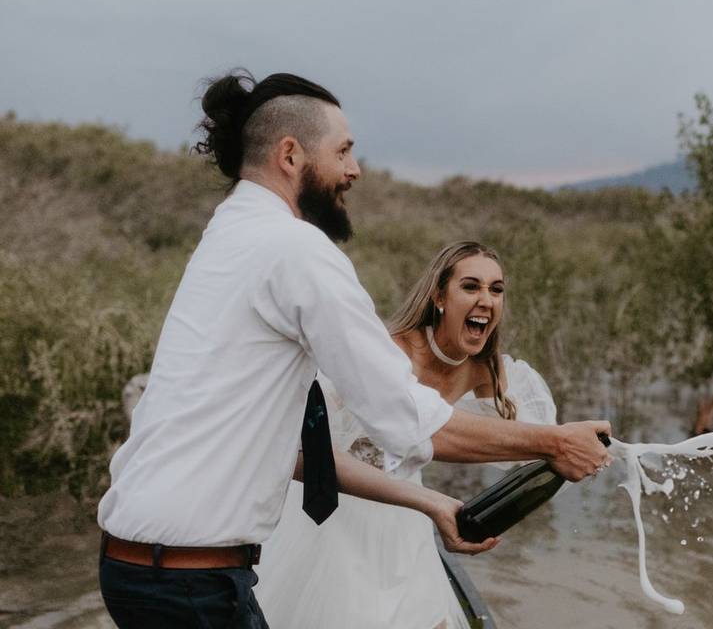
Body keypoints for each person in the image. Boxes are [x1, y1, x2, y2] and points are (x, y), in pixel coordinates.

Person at [96, 69, 611, 628]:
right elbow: (408, 419)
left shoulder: (228, 234)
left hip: (140, 568)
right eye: (343, 151)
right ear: (291, 155)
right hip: (190, 580)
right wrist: (554, 443)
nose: (354, 170)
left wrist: (433, 502)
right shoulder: (295, 250)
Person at [255, 241, 561, 628]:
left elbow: (527, 440)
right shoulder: (386, 354)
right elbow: (299, 447)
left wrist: (581, 448)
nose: (486, 299)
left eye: (496, 290)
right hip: (335, 512)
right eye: (471, 287)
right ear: (439, 296)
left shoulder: (487, 371)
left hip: (408, 514)